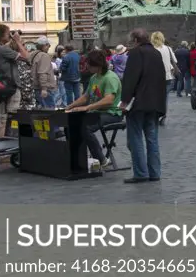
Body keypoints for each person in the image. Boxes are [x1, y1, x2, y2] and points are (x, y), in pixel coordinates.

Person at [119, 28, 166, 182]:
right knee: (152, 138)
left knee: (136, 137)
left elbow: (130, 79)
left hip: (138, 103)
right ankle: (155, 172)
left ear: (136, 40)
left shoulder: (135, 53)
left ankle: (140, 173)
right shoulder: (156, 53)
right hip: (155, 102)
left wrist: (124, 100)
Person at [64, 49, 120, 169]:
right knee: (71, 122)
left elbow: (109, 100)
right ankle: (77, 158)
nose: (86, 66)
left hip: (111, 113)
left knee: (85, 127)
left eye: (89, 64)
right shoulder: (94, 77)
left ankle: (101, 159)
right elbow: (86, 96)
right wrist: (71, 106)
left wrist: (87, 107)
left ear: (97, 65)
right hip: (97, 112)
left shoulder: (110, 78)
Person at [0, 25, 29, 139]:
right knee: (13, 118)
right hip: (12, 87)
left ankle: (2, 149)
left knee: (2, 120)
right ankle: (11, 146)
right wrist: (17, 41)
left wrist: (12, 40)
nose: (9, 34)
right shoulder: (3, 49)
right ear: (2, 36)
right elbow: (26, 57)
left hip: (0, 87)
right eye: (7, 33)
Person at [28, 36, 58, 108]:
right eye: (48, 45)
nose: (49, 47)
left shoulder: (32, 54)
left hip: (35, 87)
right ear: (44, 46)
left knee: (41, 111)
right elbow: (42, 73)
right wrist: (44, 89)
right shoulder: (44, 56)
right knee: (49, 112)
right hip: (44, 88)